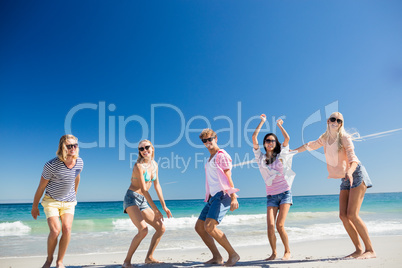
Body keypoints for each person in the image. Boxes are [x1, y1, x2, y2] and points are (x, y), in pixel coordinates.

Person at [293, 112, 375, 259]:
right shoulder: (324, 139)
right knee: (343, 215)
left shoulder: (344, 138)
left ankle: (370, 250)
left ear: (341, 124)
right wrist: (292, 152)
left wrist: (349, 172)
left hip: (355, 174)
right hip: (344, 178)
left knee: (352, 214)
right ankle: (358, 250)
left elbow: (353, 158)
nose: (335, 122)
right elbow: (308, 145)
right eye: (333, 119)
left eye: (339, 121)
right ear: (328, 121)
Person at [31, 135, 84, 268]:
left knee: (67, 228)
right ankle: (49, 260)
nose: (73, 148)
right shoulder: (51, 165)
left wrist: (74, 194)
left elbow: (77, 177)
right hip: (51, 201)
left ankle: (59, 262)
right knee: (55, 231)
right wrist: (34, 206)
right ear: (62, 147)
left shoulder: (79, 162)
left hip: (69, 201)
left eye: (75, 145)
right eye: (69, 145)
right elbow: (41, 187)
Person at [252, 114, 296, 261]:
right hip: (271, 196)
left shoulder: (281, 156)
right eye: (267, 140)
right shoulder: (260, 159)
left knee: (279, 225)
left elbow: (287, 139)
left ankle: (287, 251)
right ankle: (273, 253)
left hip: (284, 193)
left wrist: (279, 125)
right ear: (264, 143)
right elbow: (253, 138)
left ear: (275, 143)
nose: (269, 142)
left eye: (272, 140)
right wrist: (262, 122)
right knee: (270, 226)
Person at [122, 139, 172, 267]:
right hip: (132, 198)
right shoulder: (138, 166)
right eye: (141, 149)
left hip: (143, 200)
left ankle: (149, 257)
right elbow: (144, 189)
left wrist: (164, 206)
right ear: (139, 152)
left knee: (161, 228)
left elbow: (157, 186)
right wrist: (155, 209)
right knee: (143, 230)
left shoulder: (155, 165)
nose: (144, 151)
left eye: (147, 147)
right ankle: (127, 261)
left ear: (152, 148)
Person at [194, 129, 240, 267]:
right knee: (199, 227)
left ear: (216, 138)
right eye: (205, 141)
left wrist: (233, 197)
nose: (208, 142)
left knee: (210, 226)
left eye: (210, 139)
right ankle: (216, 256)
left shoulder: (221, 155)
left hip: (222, 195)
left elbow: (228, 176)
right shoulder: (209, 159)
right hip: (212, 197)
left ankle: (233, 255)